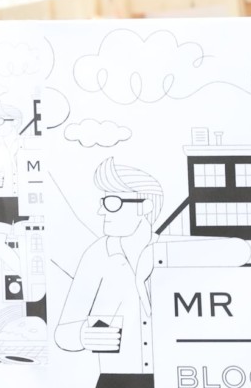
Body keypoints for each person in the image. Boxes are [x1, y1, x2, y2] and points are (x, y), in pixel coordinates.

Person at [55, 157, 163, 388]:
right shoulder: (97, 255)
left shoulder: (169, 251)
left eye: (112, 202)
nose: (102, 211)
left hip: (170, 374)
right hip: (117, 379)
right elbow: (64, 331)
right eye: (103, 202)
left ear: (145, 206)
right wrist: (84, 335)